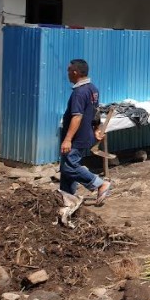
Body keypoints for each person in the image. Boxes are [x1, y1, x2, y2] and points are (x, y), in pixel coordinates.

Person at [59, 59, 111, 205]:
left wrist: (68, 139)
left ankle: (100, 184)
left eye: (69, 70)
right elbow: (95, 112)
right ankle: (67, 198)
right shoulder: (92, 89)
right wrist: (96, 129)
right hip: (85, 135)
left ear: (75, 72)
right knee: (67, 169)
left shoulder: (79, 93)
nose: (67, 73)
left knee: (69, 167)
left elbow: (77, 116)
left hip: (77, 138)